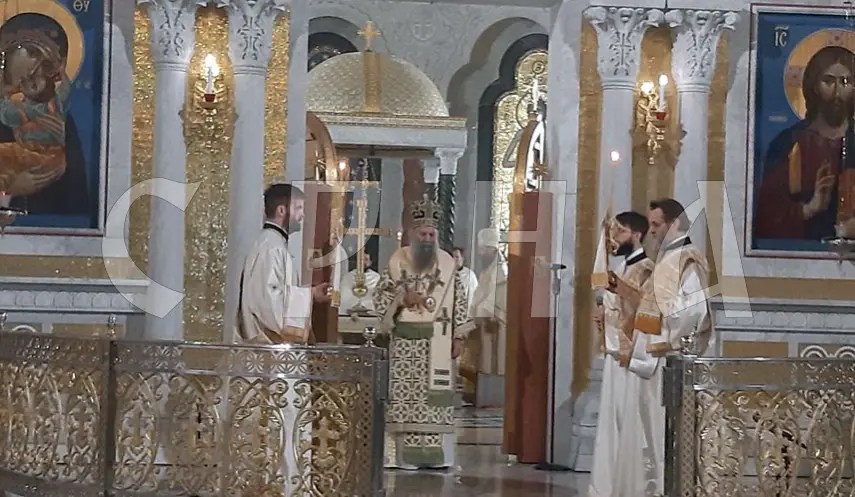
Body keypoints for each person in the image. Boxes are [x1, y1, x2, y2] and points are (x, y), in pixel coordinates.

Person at [611, 198, 712, 496]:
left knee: (660, 434)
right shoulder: (669, 258)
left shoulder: (687, 259)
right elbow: (655, 303)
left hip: (668, 360)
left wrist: (657, 312)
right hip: (654, 359)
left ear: (675, 223)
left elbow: (694, 311)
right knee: (648, 432)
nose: (652, 231)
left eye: (656, 224)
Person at [373, 195, 475, 470]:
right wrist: (402, 299)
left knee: (434, 400)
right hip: (405, 343)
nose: (428, 238)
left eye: (432, 233)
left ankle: (437, 456)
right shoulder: (397, 260)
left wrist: (459, 336)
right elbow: (381, 294)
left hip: (437, 343)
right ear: (412, 235)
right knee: (404, 399)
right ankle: (402, 458)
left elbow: (460, 301)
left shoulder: (448, 263)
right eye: (423, 233)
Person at [755, 46, 855, 241]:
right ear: (814, 85)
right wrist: (809, 208)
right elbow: (766, 218)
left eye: (846, 82)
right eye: (828, 81)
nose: (837, 92)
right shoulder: (788, 144)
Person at [588, 212, 654, 497]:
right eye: (615, 231)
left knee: (626, 421)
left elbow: (647, 306)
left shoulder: (647, 268)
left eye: (622, 231)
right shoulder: (623, 265)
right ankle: (608, 484)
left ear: (637, 234)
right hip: (615, 350)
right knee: (609, 422)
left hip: (632, 354)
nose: (616, 237)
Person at [235, 184, 330, 344]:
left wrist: (308, 293)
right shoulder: (271, 247)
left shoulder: (274, 243)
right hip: (268, 352)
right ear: (281, 210)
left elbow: (275, 292)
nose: (303, 215)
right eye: (299, 208)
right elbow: (267, 302)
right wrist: (311, 294)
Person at [460, 228, 507, 407]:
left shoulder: (500, 270)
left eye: (483, 249)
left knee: (491, 362)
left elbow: (498, 298)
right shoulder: (489, 269)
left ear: (492, 249)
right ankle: (474, 393)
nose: (480, 253)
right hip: (483, 321)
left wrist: (481, 315)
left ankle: (489, 398)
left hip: (494, 323)